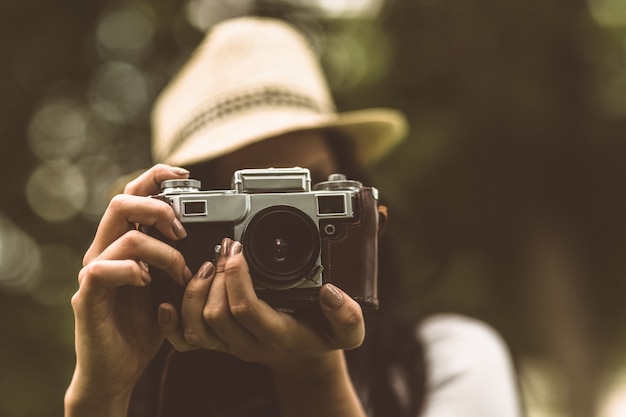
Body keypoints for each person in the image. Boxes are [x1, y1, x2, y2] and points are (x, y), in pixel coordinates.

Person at [64, 17, 522, 417]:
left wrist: (313, 374)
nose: (282, 233)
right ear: (174, 231)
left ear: (364, 211)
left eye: (313, 194)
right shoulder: (147, 394)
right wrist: (100, 397)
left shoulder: (451, 360)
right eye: (250, 205)